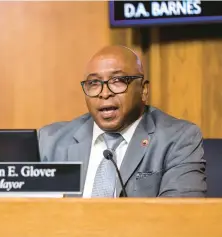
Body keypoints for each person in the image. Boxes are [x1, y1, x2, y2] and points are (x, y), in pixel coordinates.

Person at [38, 45, 206, 197]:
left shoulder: (178, 139)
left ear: (144, 90)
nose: (104, 93)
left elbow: (182, 218)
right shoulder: (50, 141)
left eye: (117, 81)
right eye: (94, 83)